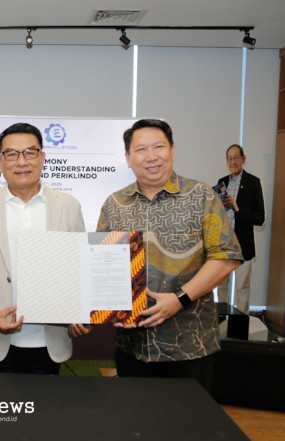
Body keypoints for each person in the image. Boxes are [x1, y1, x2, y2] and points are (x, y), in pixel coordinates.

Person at [96, 119, 242, 392]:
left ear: (172, 151)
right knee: (134, 415)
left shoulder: (201, 196)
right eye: (141, 149)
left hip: (190, 345)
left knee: (188, 418)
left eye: (159, 147)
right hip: (132, 347)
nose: (151, 156)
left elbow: (226, 257)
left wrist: (180, 299)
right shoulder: (114, 204)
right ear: (128, 158)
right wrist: (109, 306)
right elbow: (103, 266)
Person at [0, 123, 90, 375]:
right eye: (11, 154)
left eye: (30, 152)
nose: (22, 161)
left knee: (46, 401)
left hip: (50, 338)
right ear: (0, 161)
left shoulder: (68, 206)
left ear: (42, 157)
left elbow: (80, 267)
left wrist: (80, 313)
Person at [215, 144, 265, 314]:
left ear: (243, 159)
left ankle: (241, 325)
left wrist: (237, 208)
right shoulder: (222, 182)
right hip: (224, 246)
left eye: (236, 157)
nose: (233, 161)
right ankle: (221, 322)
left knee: (242, 289)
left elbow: (260, 219)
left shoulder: (253, 183)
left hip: (244, 246)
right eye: (229, 158)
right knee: (221, 287)